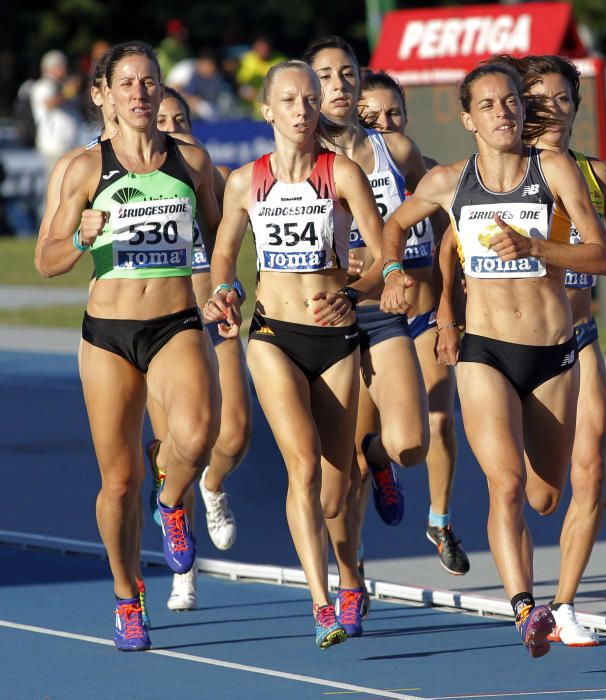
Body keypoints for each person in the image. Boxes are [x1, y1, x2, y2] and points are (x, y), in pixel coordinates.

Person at [380, 61, 606, 657]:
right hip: (485, 351)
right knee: (504, 484)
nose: (502, 112)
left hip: (553, 351)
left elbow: (603, 254)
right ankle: (524, 607)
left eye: (509, 101)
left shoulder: (554, 169)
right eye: (487, 105)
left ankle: (533, 599)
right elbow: (393, 224)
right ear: (468, 120)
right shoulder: (450, 183)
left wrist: (537, 247)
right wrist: (390, 273)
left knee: (544, 495)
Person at [39, 41, 222, 651]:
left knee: (196, 435)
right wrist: (85, 237)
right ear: (103, 96)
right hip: (109, 335)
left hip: (175, 322)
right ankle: (127, 596)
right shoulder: (83, 169)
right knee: (117, 482)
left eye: (149, 82)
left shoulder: (193, 163)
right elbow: (47, 260)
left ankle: (170, 501)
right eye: (128, 84)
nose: (141, 94)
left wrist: (225, 286)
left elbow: (222, 238)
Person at [205, 59, 386, 648]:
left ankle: (352, 574)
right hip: (273, 336)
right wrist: (224, 291)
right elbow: (224, 256)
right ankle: (321, 603)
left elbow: (382, 257)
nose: (303, 111)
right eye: (289, 101)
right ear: (267, 111)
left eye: (310, 101)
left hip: (334, 338)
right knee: (302, 466)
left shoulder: (344, 174)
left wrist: (355, 292)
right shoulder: (245, 181)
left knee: (337, 487)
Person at [506, 54, 606, 647]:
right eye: (540, 99)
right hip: (518, 342)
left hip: (579, 337)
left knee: (590, 472)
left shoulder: (598, 175)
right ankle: (528, 597)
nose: (554, 110)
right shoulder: (504, 172)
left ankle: (562, 605)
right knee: (542, 493)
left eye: (565, 99)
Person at [304, 37, 430, 617]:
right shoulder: (298, 156)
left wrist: (395, 263)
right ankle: (351, 578)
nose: (338, 84)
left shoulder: (394, 148)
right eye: (325, 75)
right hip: (327, 319)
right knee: (335, 490)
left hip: (381, 309)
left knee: (409, 444)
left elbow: (437, 209)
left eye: (347, 73)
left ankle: (374, 455)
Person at [357, 69, 469, 576]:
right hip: (371, 324)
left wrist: (451, 307)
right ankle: (351, 552)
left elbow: (450, 242)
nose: (385, 124)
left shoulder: (428, 174)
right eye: (371, 117)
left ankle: (440, 521)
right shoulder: (342, 173)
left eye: (393, 113)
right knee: (368, 444)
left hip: (422, 316)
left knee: (441, 416)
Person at [147, 86, 252, 613]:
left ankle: (214, 486)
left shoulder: (214, 179)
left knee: (234, 432)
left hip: (214, 318)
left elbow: (233, 244)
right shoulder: (140, 182)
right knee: (178, 445)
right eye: (163, 119)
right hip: (164, 328)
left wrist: (228, 289)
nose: (173, 126)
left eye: (181, 118)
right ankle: (182, 575)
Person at [30, 50, 81, 193]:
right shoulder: (43, 85)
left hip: (69, 146)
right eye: (60, 66)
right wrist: (69, 91)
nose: (64, 69)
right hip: (54, 148)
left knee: (69, 190)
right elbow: (49, 102)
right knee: (56, 191)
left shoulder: (62, 86)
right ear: (48, 68)